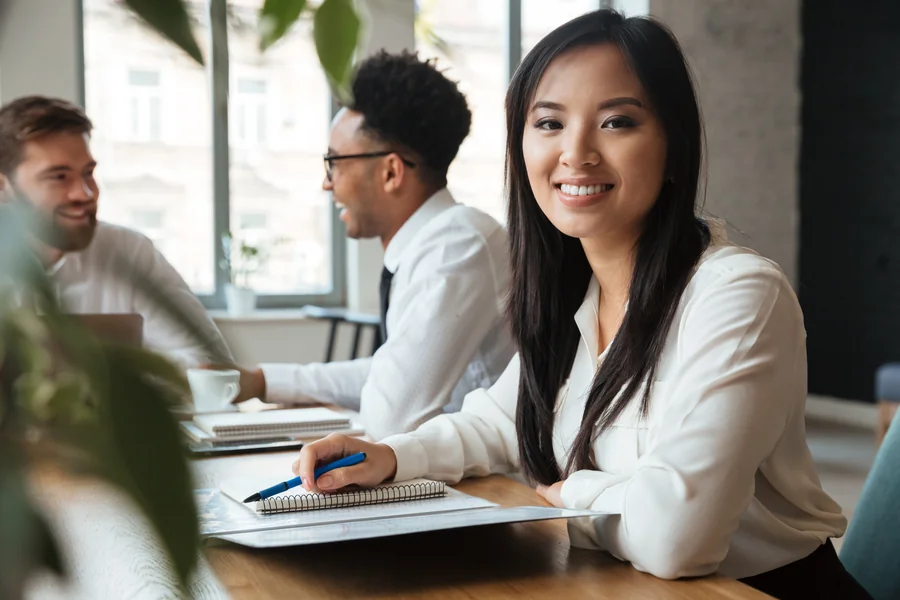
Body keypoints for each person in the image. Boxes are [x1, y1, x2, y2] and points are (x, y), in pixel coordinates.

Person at [289, 11, 871, 599]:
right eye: (548, 123)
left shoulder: (737, 296)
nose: (576, 153)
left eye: (617, 121)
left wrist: (575, 494)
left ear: (673, 144)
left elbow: (677, 541)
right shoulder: (573, 293)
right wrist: (389, 457)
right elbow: (497, 422)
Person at [233, 51, 514, 440]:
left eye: (334, 162)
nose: (326, 183)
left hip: (501, 486)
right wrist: (263, 381)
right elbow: (389, 371)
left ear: (390, 172)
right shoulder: (435, 242)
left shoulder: (456, 247)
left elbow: (390, 420)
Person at [0, 95, 231, 367]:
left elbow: (212, 364)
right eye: (58, 177)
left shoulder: (128, 250)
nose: (84, 193)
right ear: (4, 187)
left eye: (88, 173)